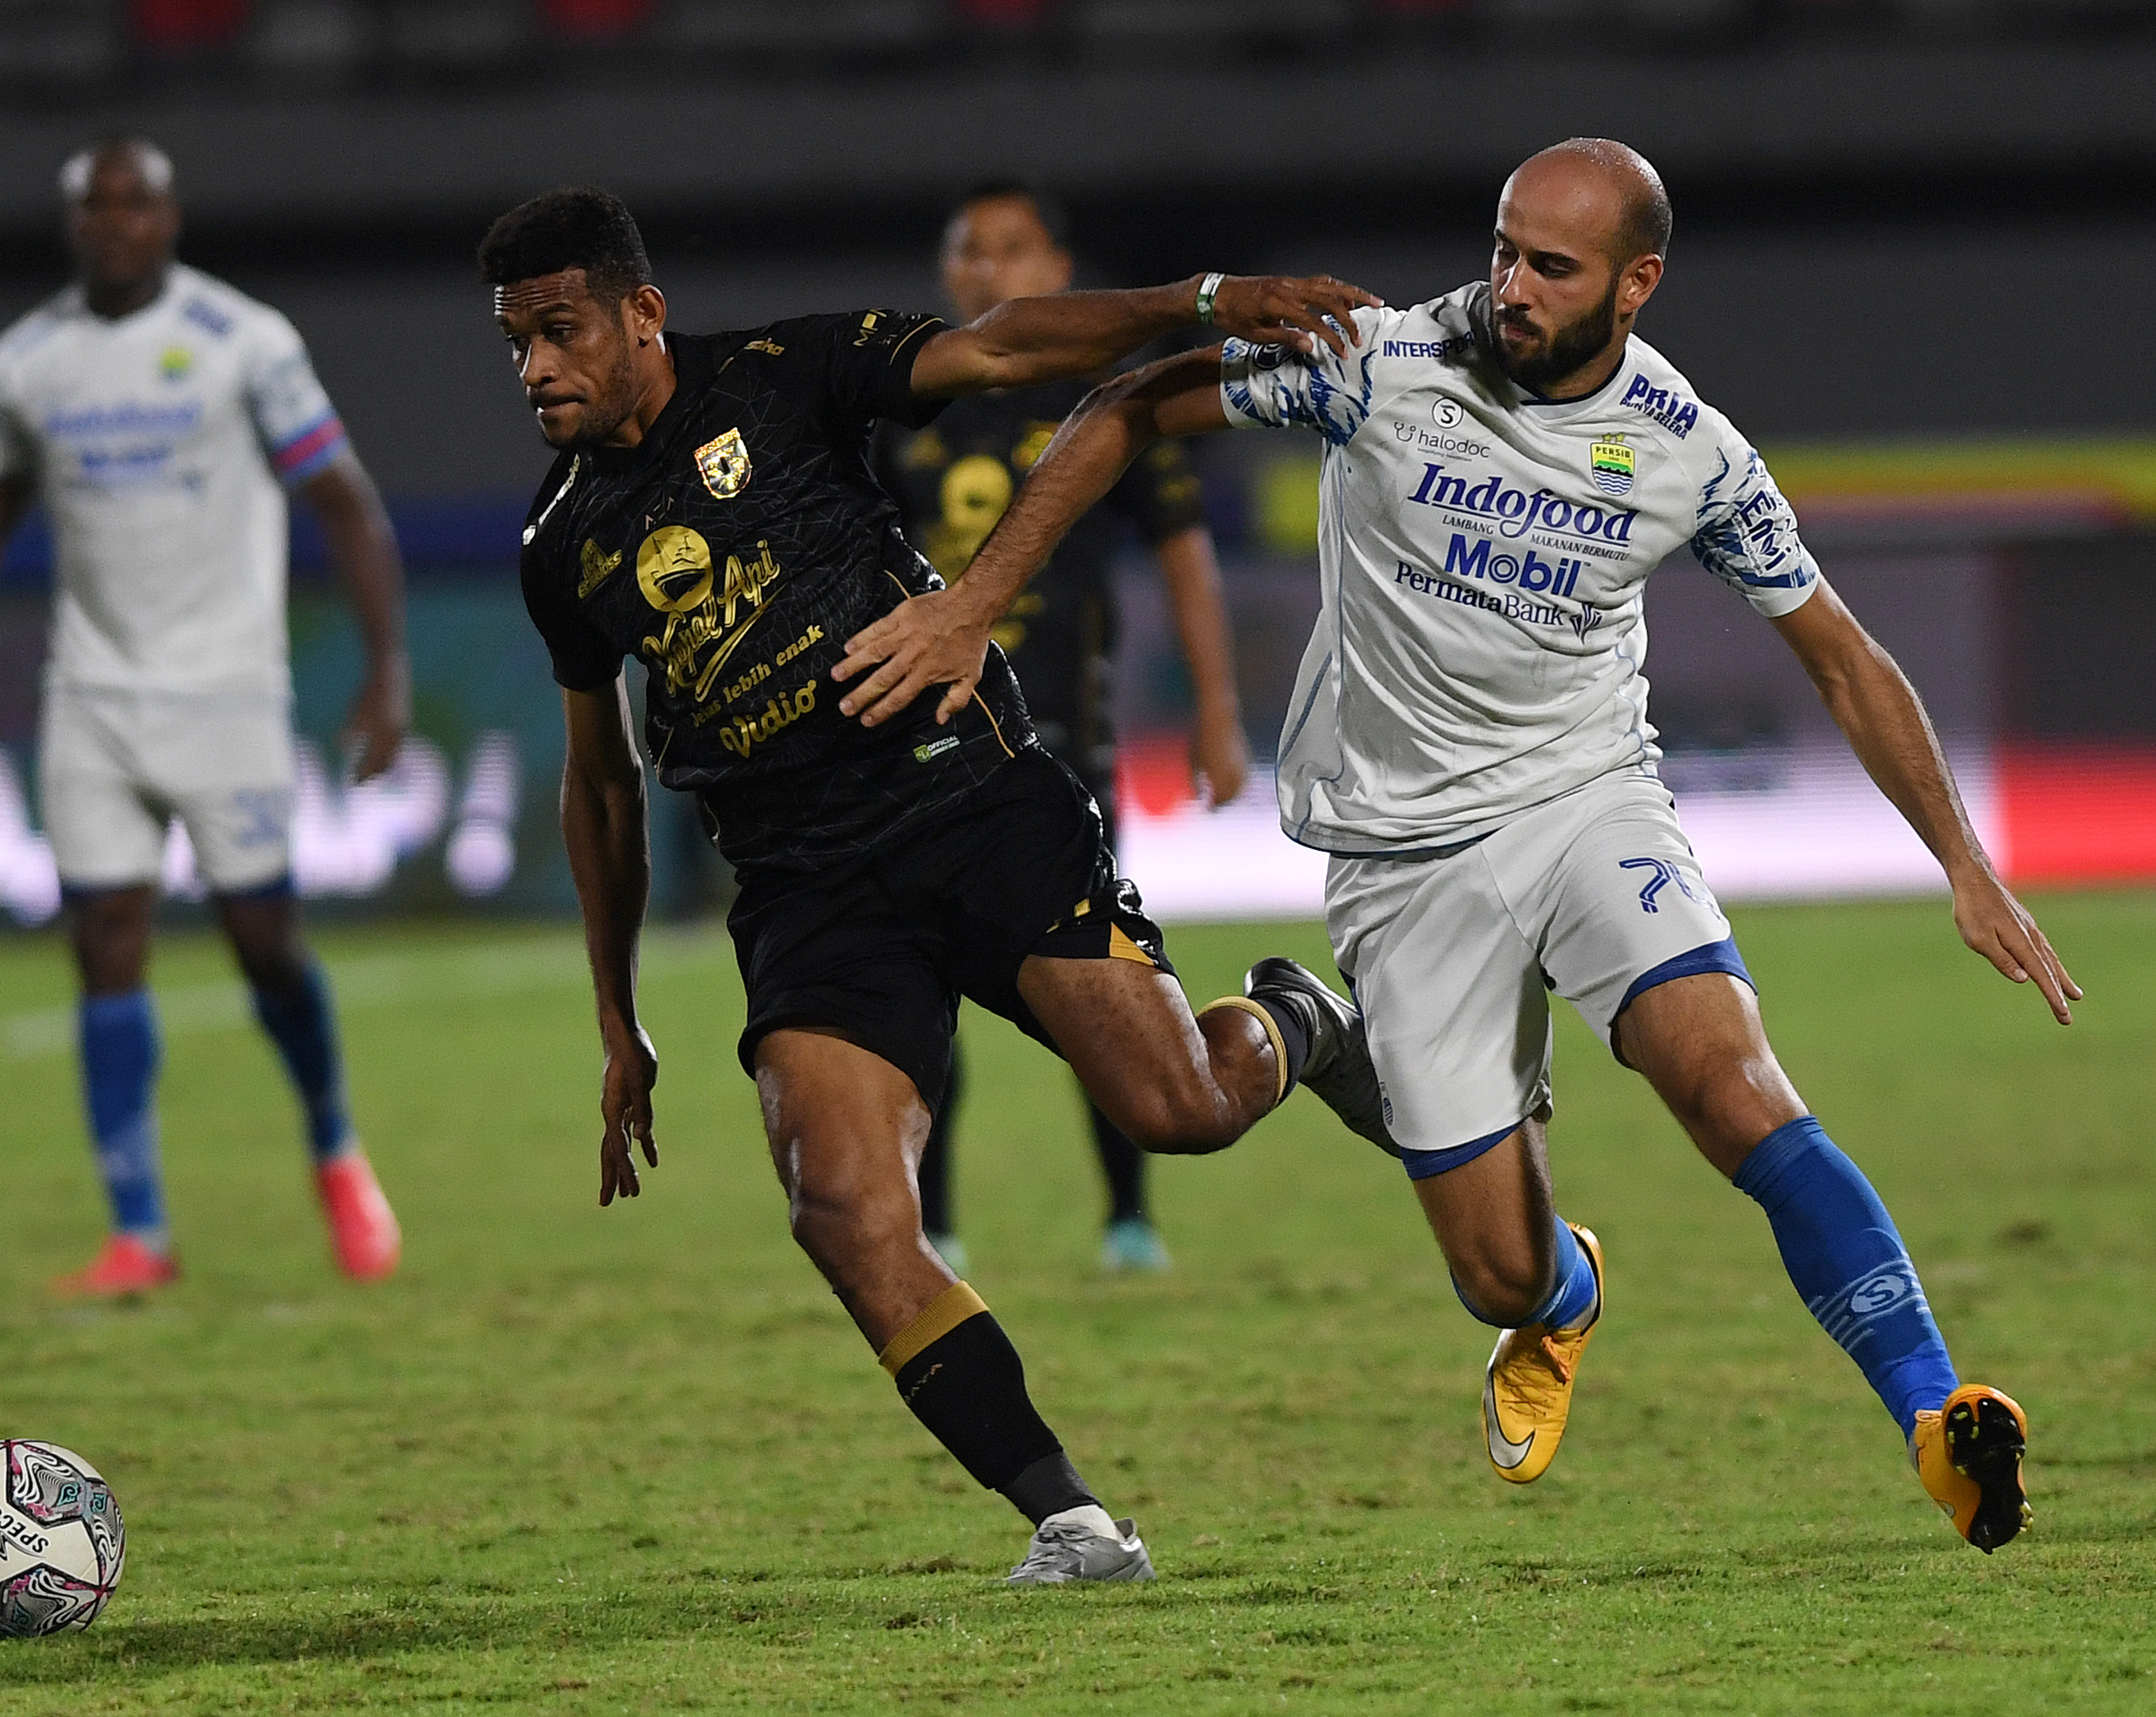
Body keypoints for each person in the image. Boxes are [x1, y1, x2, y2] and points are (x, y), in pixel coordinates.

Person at [842, 138, 2076, 1554]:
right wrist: (975, 596)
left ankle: (1930, 1415)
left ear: (1635, 284)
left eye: (1549, 267)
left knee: (1729, 1081)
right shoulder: (1376, 361)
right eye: (1502, 248)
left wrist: (1963, 864)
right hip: (1399, 850)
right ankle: (1552, 1287)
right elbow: (1127, 403)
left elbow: (1843, 657)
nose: (1507, 286)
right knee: (1494, 1270)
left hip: (1584, 802)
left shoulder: (1687, 452)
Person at [485, 185, 1384, 1582]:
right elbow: (597, 785)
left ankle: (1295, 1022)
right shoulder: (561, 545)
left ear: (639, 314)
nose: (535, 367)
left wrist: (1199, 300)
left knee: (1179, 1111)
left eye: (557, 330)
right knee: (841, 1208)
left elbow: (1006, 351)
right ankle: (1072, 1520)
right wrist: (617, 1017)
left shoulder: (782, 378)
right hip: (802, 887)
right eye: (514, 342)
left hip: (968, 804)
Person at [0, 134, 412, 1296]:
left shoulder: (247, 344)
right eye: (94, 205)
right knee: (104, 942)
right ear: (74, 225)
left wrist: (387, 670)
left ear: (170, 219)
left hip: (228, 694)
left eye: (136, 202)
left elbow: (346, 503)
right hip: (94, 695)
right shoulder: (28, 363)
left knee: (263, 945)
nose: (115, 222)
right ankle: (140, 1230)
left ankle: (333, 1146)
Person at [874, 182, 1249, 1276]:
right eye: (969, 251)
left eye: (1013, 249)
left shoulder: (1107, 397)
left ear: (1058, 267)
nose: (990, 270)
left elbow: (1184, 549)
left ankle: (1128, 1220)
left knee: (1100, 986)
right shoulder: (908, 409)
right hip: (923, 744)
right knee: (921, 987)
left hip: (1055, 753)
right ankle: (931, 1227)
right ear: (950, 275)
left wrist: (1216, 713)